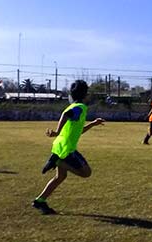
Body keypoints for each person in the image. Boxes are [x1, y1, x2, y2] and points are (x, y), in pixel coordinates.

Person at [33, 80, 105, 215]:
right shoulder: (80, 107)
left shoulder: (75, 107)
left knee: (60, 177)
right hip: (66, 149)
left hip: (60, 147)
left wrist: (93, 124)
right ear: (86, 94)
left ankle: (40, 201)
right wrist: (57, 131)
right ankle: (58, 161)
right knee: (86, 172)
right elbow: (66, 114)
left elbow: (78, 131)